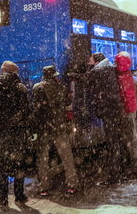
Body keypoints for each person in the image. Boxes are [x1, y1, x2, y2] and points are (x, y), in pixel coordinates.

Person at [0, 61, 32, 207]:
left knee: (2, 164)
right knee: (19, 164)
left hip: (1, 131)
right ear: (14, 72)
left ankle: (2, 199)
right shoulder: (20, 88)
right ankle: (19, 196)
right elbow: (26, 111)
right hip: (18, 132)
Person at [33, 65, 80, 196]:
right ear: (54, 75)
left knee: (43, 158)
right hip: (59, 126)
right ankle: (72, 184)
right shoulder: (61, 87)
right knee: (67, 157)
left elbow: (36, 109)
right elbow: (66, 103)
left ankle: (44, 187)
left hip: (44, 128)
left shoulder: (37, 88)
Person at [85, 52, 127, 185]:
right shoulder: (109, 68)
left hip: (109, 111)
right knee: (116, 140)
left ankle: (114, 176)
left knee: (112, 142)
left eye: (91, 60)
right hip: (114, 110)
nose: (89, 62)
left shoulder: (100, 70)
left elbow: (86, 78)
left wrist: (72, 75)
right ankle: (121, 170)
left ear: (97, 60)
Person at [114, 52, 137, 176]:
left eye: (116, 63)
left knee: (131, 138)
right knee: (131, 137)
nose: (115, 65)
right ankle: (134, 165)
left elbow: (125, 94)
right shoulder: (127, 74)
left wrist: (122, 108)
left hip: (127, 110)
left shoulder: (122, 76)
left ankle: (135, 168)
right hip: (131, 109)